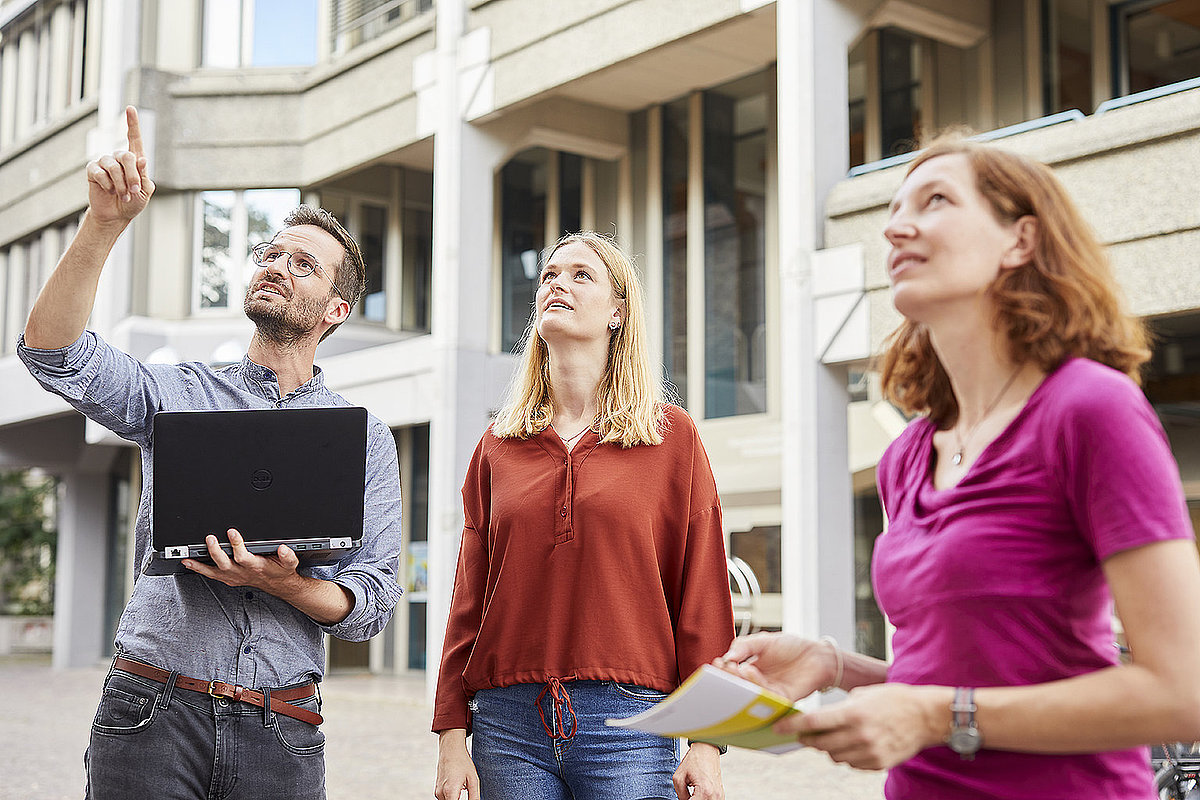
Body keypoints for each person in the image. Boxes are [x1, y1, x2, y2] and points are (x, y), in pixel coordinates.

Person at [717, 136, 1200, 798]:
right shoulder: (908, 456)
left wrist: (933, 714)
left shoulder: (1092, 410)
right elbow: (961, 684)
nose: (896, 226)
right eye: (893, 210)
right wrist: (835, 665)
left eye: (936, 199)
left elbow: (1183, 693)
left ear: (1019, 241)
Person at [19, 107, 403, 800]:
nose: (278, 266)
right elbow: (53, 355)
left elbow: (371, 603)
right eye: (272, 254)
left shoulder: (362, 435)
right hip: (150, 713)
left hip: (280, 726)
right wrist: (103, 225)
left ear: (336, 311)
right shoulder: (177, 394)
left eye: (303, 263)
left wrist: (281, 582)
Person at [432, 232, 735, 800]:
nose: (557, 284)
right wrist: (451, 731)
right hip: (506, 725)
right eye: (549, 275)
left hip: (632, 723)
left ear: (618, 311)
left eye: (580, 275)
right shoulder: (497, 446)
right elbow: (468, 599)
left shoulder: (672, 439)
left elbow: (704, 596)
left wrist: (707, 740)